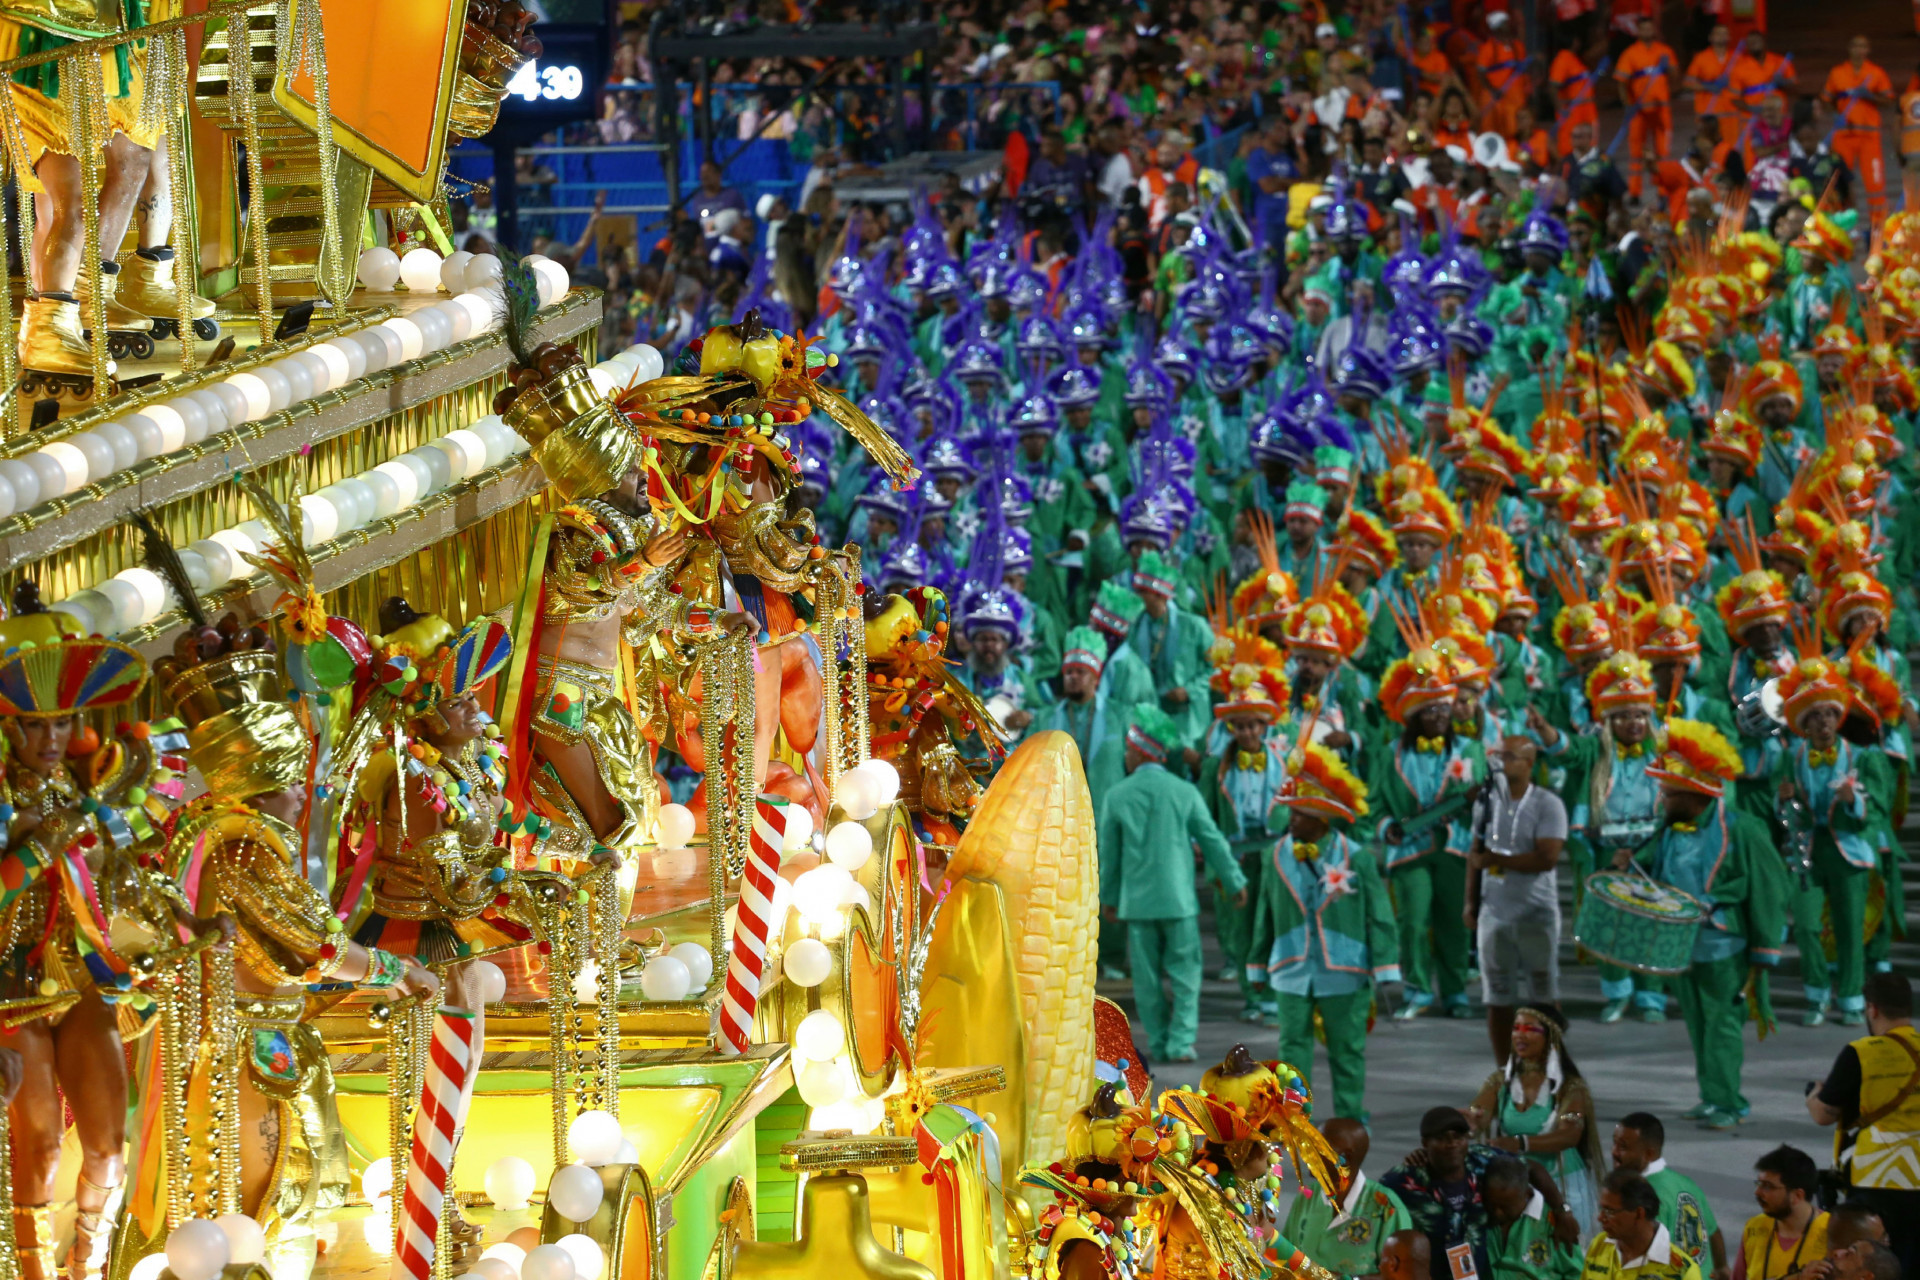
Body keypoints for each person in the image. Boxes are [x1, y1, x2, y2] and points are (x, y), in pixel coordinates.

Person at [1616, 720, 1786, 1130]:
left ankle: (1730, 1102)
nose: (1662, 797)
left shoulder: (1743, 829)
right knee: (1698, 1024)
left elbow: (1768, 889)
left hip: (1723, 946)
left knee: (1723, 1026)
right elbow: (1656, 878)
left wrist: (1765, 951)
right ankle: (1711, 1096)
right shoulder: (1670, 828)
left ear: (1694, 795)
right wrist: (1628, 866)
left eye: (1669, 792)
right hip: (1680, 945)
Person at [1097, 705, 1246, 1064]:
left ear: (1140, 752)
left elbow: (1109, 857)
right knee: (1185, 972)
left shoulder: (1116, 796)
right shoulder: (1184, 792)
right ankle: (1181, 1042)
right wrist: (1234, 879)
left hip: (1137, 902)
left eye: (1128, 752)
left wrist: (1108, 899)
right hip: (1178, 900)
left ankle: (1160, 1041)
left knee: (1147, 979)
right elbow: (1212, 840)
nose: (1125, 758)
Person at [1259, 742, 1398, 1120]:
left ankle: (1350, 1118)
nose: (1291, 822)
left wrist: (1386, 968)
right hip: (1290, 966)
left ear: (1321, 820)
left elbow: (1380, 915)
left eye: (1299, 815)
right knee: (1291, 1051)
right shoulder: (1274, 856)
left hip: (1345, 968)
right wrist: (1257, 963)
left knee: (1347, 1049)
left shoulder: (1359, 857)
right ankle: (1295, 1119)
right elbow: (1264, 914)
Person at [1379, 1106, 1579, 1280]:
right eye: (1441, 1138)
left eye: (1458, 1137)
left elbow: (1532, 1169)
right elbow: (1374, 1200)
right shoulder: (1404, 1180)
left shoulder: (1483, 1160)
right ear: (1425, 1143)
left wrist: (1562, 1209)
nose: (1452, 1144)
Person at [1808, 971, 1920, 1278]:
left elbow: (1823, 1115)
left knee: (1872, 1266)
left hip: (1877, 1181)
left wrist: (1814, 1095)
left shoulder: (1863, 1053)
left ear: (1872, 1009)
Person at [1466, 736, 1568, 1061]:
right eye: (1498, 755)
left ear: (1529, 763)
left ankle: (1550, 1069)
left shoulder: (1548, 803)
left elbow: (1547, 858)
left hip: (1536, 913)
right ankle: (1504, 1072)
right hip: (1494, 913)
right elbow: (1475, 854)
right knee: (1497, 998)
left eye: (1509, 757)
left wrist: (1497, 860)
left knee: (1543, 996)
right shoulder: (1486, 803)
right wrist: (1470, 902)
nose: (1501, 762)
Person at [1465, 1007, 1601, 1231]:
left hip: (1563, 1185)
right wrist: (1471, 1121)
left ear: (1550, 1037)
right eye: (1516, 1028)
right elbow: (1480, 1111)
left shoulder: (1570, 1087)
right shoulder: (1501, 1081)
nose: (1519, 1034)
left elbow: (1570, 1134)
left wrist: (1519, 1143)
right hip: (1517, 1184)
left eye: (1529, 1029)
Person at [1284, 1116, 1415, 1280]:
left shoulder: (1387, 1209)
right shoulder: (1306, 1197)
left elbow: (1405, 1275)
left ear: (1346, 1159)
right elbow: (1287, 1258)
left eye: (1317, 1147)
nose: (1307, 1153)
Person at [1611, 1113, 1728, 1280]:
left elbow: (1643, 1255)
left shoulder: (1644, 1196)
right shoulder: (1687, 1184)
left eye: (1623, 1147)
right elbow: (1713, 1232)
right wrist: (1722, 1268)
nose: (1614, 1152)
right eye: (1614, 1143)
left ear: (1649, 1154)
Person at [1586, 1170, 1706, 1280]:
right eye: (1601, 1209)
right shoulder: (1599, 1245)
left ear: (1639, 1213)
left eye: (1609, 1211)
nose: (1600, 1218)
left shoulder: (1683, 1272)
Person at [1823, 36, 1894, 221]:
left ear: (1868, 50)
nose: (1859, 49)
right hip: (1843, 134)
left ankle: (1877, 225)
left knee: (1875, 183)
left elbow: (1888, 99)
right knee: (1839, 181)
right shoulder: (1837, 72)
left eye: (1863, 46)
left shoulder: (1876, 72)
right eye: (1855, 45)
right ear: (1849, 48)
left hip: (1869, 136)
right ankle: (1840, 222)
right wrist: (1835, 116)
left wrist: (1870, 96)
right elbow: (1826, 100)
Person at [1733, 1146, 1828, 1280]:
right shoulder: (1754, 1227)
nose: (1758, 1192)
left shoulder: (1832, 1233)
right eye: (1759, 1184)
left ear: (1797, 1195)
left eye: (1767, 1186)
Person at [1485, 1156, 1582, 1280]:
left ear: (1527, 1194)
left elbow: (1577, 1273)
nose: (1497, 1213)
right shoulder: (1479, 1216)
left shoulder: (1553, 1222)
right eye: (1491, 1204)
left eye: (1505, 1207)